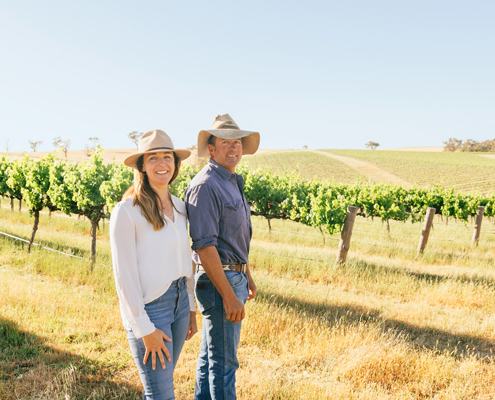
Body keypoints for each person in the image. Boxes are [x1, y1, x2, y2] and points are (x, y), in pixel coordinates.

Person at [110, 130, 197, 400]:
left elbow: (186, 261)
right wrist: (144, 328)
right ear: (142, 167)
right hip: (151, 309)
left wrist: (191, 308)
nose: (162, 164)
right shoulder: (127, 211)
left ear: (175, 164)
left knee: (163, 386)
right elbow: (124, 277)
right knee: (160, 394)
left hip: (181, 303)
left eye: (167, 157)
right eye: (153, 158)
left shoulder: (181, 208)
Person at [184, 114, 260, 400]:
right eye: (225, 142)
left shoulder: (231, 181)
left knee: (210, 359)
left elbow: (234, 237)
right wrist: (228, 294)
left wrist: (247, 275)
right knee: (224, 364)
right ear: (211, 149)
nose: (234, 148)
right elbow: (204, 247)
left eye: (237, 142)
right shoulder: (206, 185)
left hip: (233, 276)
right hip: (220, 283)